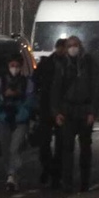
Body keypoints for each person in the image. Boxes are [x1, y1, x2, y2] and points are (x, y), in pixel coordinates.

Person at [51, 36, 99, 192]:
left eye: (75, 45)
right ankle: (67, 181)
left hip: (84, 110)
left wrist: (93, 111)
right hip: (67, 111)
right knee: (67, 148)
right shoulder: (61, 66)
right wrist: (57, 112)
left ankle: (85, 182)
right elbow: (55, 90)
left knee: (85, 147)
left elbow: (96, 88)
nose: (73, 48)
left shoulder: (88, 64)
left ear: (80, 47)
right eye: (70, 46)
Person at [0, 56, 35, 192]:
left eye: (17, 65)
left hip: (20, 120)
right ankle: (11, 174)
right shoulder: (0, 82)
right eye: (12, 65)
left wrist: (19, 98)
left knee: (14, 148)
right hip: (4, 119)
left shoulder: (27, 83)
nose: (14, 68)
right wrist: (4, 96)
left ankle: (12, 175)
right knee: (5, 150)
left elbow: (31, 102)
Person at [34, 39, 66, 188]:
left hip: (63, 108)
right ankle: (48, 168)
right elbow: (35, 81)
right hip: (46, 107)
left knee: (61, 144)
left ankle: (56, 174)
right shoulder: (46, 63)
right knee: (44, 143)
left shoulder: (70, 64)